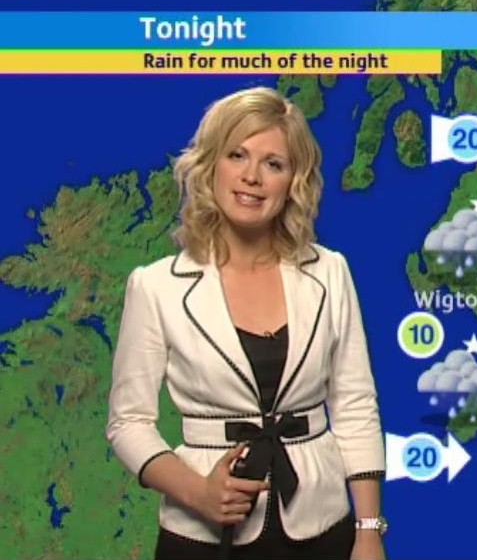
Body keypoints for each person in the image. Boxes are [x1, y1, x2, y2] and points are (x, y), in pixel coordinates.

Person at [106, 86, 387, 560]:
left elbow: (355, 405)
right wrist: (197, 493)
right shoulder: (156, 286)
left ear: (293, 181)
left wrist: (368, 530)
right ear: (210, 165)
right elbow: (128, 423)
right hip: (201, 535)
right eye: (237, 155)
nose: (252, 177)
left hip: (322, 526)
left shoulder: (330, 272)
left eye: (273, 164)